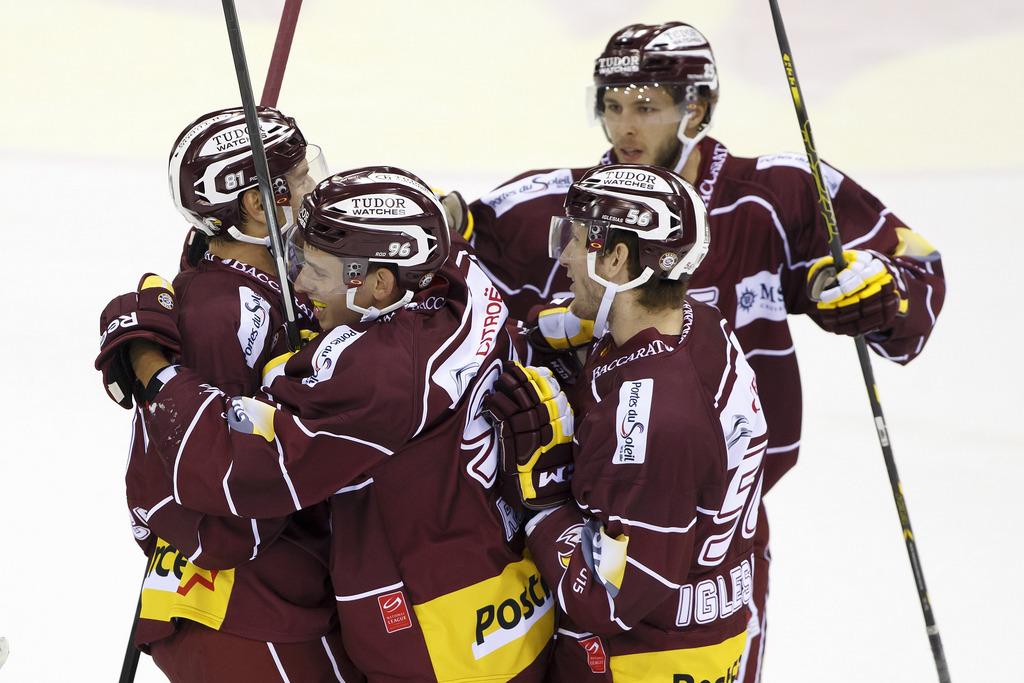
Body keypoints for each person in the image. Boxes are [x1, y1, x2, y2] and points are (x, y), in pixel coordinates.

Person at [465, 22, 946, 680]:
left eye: (645, 107)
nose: (623, 129)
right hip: (593, 529)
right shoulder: (567, 210)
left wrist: (882, 296)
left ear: (697, 107)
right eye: (611, 106)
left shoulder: (775, 195)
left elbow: (915, 267)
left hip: (724, 543)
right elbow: (428, 254)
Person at [97, 166, 554, 682]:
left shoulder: (378, 373)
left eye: (318, 270)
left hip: (436, 639)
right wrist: (221, 248)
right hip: (505, 599)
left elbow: (232, 469)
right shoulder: (459, 278)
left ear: (380, 283)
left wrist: (148, 361)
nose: (297, 282)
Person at [97, 107, 362, 681]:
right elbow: (225, 487)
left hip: (270, 593)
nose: (313, 190)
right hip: (239, 609)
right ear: (256, 203)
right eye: (297, 180)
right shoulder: (223, 310)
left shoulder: (259, 284)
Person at [486, 164, 766, 680]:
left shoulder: (651, 416)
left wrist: (543, 495)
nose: (565, 258)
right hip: (700, 632)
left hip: (642, 660)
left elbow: (607, 598)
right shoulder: (700, 323)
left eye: (574, 240)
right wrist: (581, 339)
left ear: (616, 259)